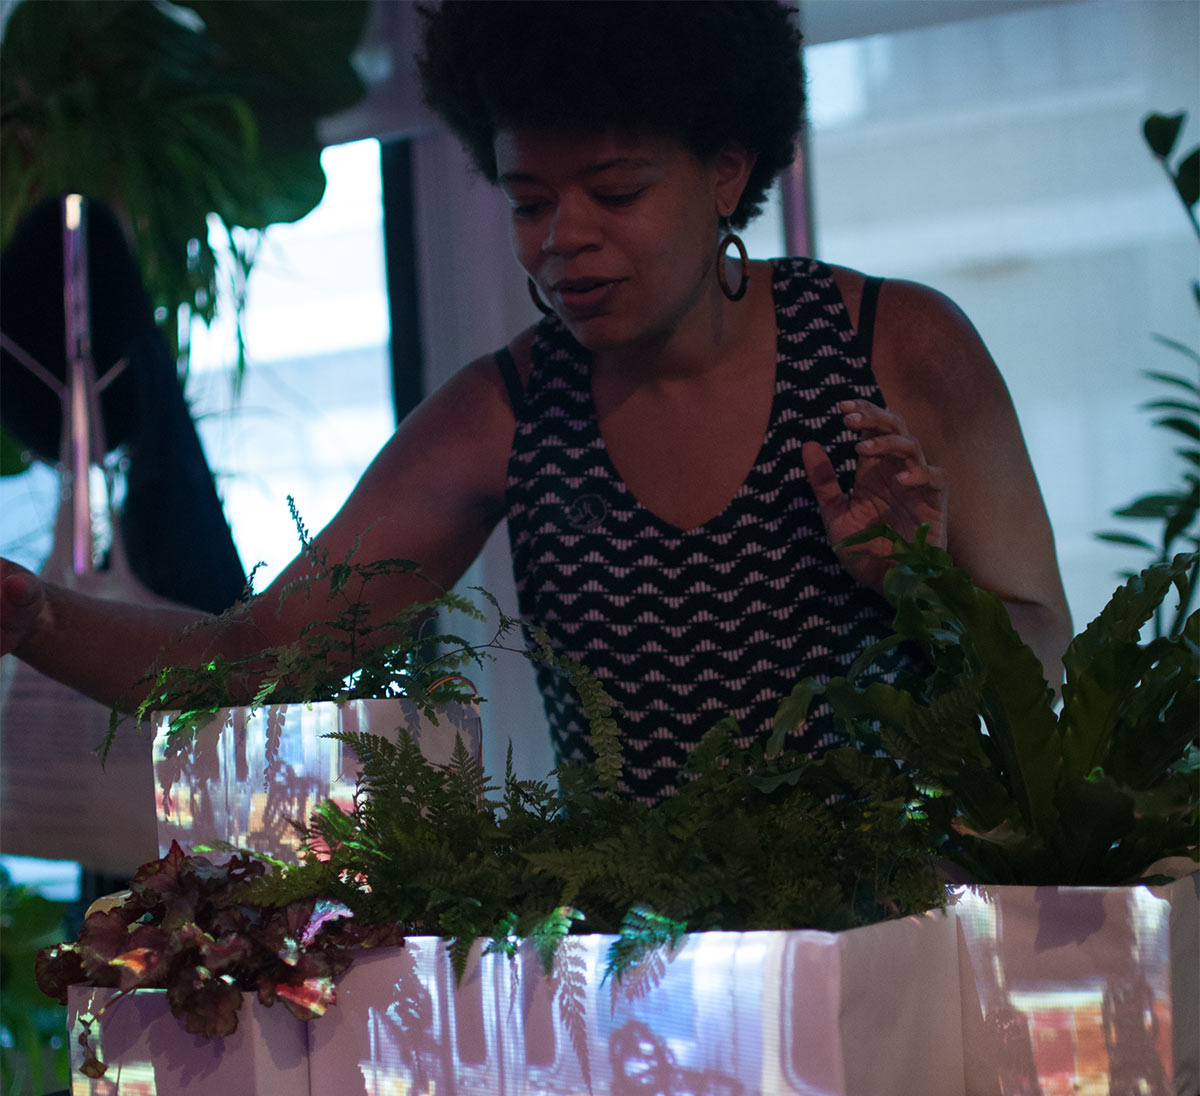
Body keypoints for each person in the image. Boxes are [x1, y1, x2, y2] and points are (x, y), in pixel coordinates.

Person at [0, 1, 1072, 806]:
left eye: (615, 192)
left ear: (725, 170)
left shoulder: (897, 344)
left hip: (917, 949)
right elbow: (259, 663)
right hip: (650, 984)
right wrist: (35, 619)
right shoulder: (510, 412)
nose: (564, 237)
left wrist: (924, 589)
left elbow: (1047, 654)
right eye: (528, 201)